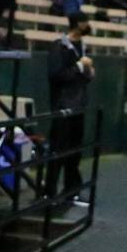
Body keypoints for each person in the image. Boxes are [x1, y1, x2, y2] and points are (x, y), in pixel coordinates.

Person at [45, 13, 94, 204]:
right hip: (63, 106)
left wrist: (87, 72)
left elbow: (82, 76)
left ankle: (71, 190)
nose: (88, 25)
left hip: (78, 106)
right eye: (86, 22)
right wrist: (79, 67)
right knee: (58, 149)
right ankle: (49, 192)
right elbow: (56, 75)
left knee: (74, 151)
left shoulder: (80, 46)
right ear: (78, 24)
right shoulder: (60, 46)